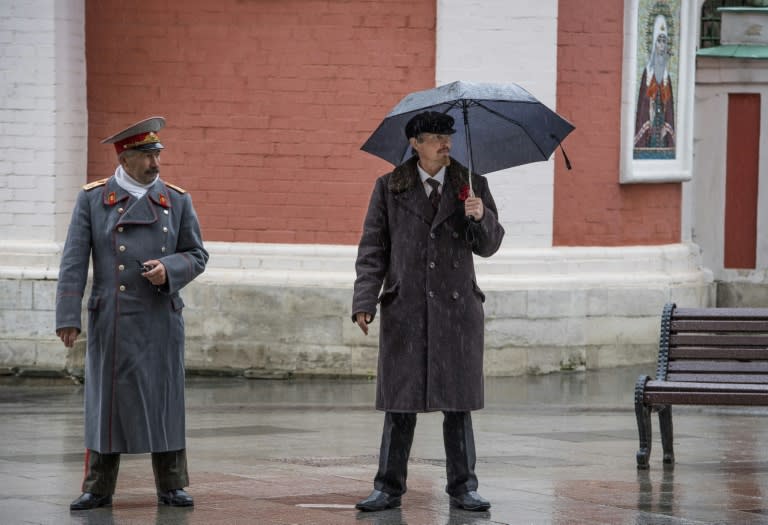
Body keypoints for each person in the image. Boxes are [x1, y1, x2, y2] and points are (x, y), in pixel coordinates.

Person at [352, 111, 505, 512]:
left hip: (457, 313)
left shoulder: (471, 184)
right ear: (415, 143)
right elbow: (373, 249)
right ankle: (387, 487)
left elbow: (490, 245)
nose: (445, 143)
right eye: (436, 137)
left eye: (448, 136)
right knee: (400, 404)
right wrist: (364, 301)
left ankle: (463, 487)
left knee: (458, 405)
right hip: (407, 309)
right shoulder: (389, 187)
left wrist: (480, 216)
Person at [56, 116, 208, 510]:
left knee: (165, 401)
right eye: (147, 156)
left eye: (157, 154)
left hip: (160, 317)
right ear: (125, 158)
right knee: (106, 405)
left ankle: (172, 484)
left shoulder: (176, 200)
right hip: (113, 318)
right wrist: (67, 317)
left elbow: (197, 255)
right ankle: (98, 487)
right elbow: (74, 261)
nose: (156, 164)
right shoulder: (93, 199)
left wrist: (169, 270)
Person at [634, 13, 675, 152]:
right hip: (650, 128)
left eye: (664, 41)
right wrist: (649, 121)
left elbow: (668, 106)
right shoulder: (648, 73)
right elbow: (643, 103)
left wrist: (666, 126)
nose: (662, 45)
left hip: (662, 129)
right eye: (659, 40)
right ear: (653, 43)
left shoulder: (666, 76)